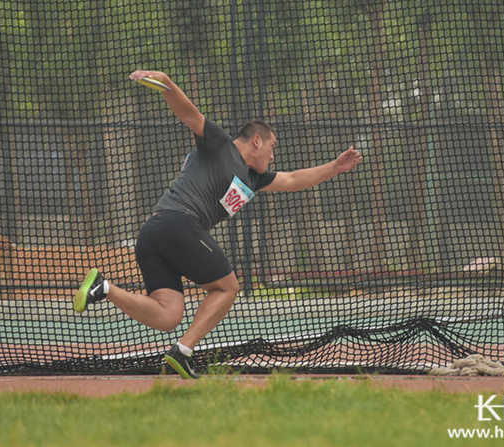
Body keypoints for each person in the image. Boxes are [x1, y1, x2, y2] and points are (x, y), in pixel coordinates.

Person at [74, 69, 363, 379]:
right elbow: (188, 112)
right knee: (228, 287)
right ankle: (183, 351)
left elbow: (293, 180)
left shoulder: (254, 178)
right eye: (273, 147)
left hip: (153, 233)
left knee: (168, 316)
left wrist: (336, 167)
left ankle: (104, 288)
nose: (273, 155)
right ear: (256, 140)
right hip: (178, 224)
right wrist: (167, 82)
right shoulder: (219, 144)